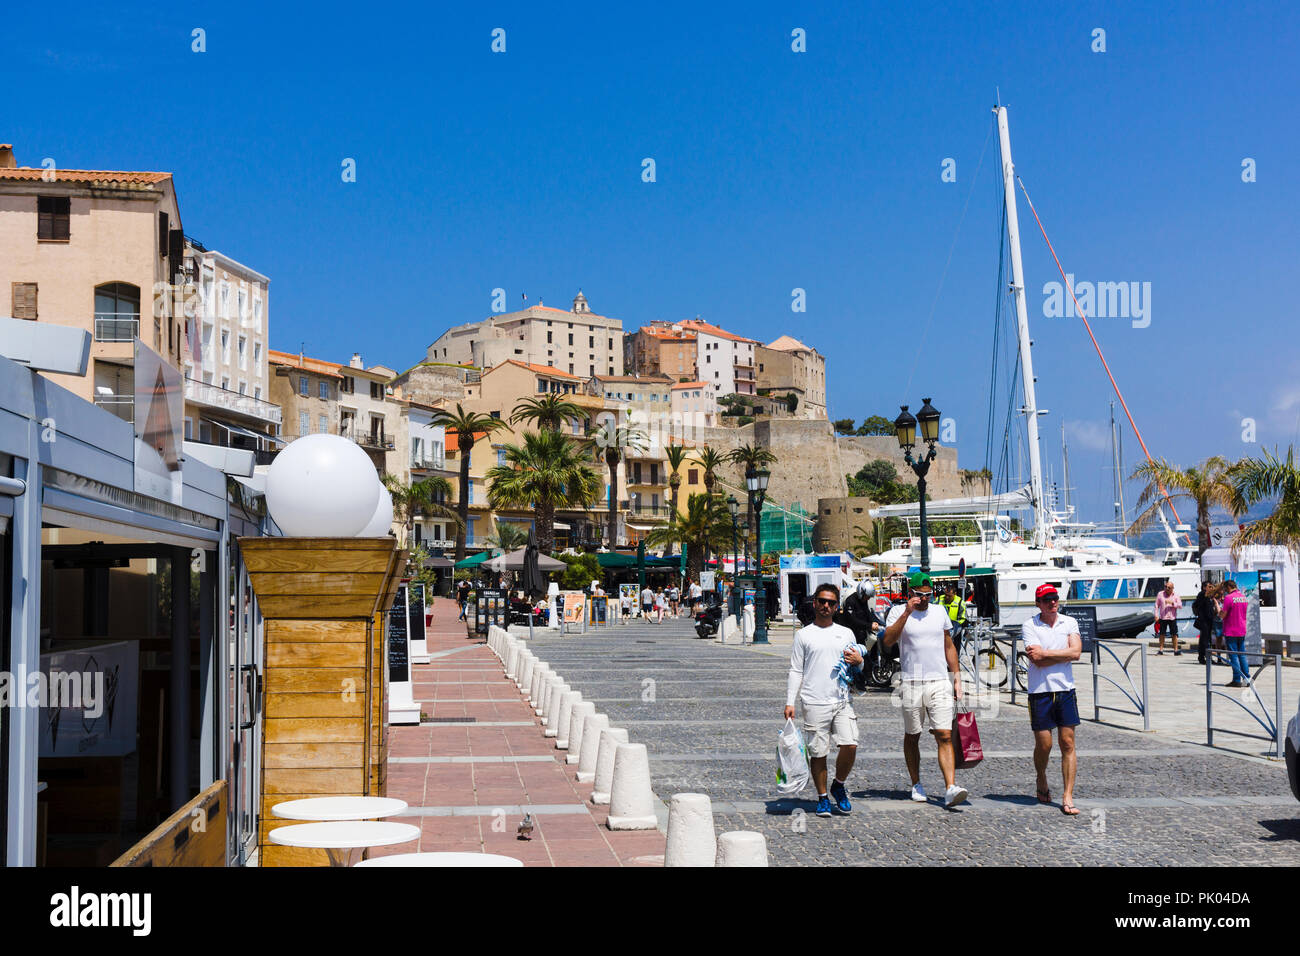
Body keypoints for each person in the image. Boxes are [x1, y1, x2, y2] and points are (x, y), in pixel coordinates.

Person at [882, 571, 968, 807]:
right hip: (911, 682)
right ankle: (916, 782)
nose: (925, 599)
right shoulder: (898, 612)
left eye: (928, 595)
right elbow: (888, 640)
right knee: (913, 735)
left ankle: (950, 787)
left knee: (944, 734)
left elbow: (948, 646)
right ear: (910, 593)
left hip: (939, 680)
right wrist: (907, 612)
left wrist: (957, 677)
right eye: (920, 595)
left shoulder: (939, 612)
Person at [784, 583, 867, 817]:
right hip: (813, 701)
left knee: (850, 744)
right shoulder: (804, 635)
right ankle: (822, 797)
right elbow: (795, 670)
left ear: (837, 607)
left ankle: (838, 785)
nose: (826, 606)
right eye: (822, 601)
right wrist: (790, 702)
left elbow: (857, 666)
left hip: (841, 699)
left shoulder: (845, 633)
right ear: (815, 603)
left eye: (831, 602)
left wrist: (859, 659)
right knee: (818, 753)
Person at [1021, 583, 1083, 815]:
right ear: (1038, 604)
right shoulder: (1030, 625)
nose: (1053, 602)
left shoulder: (1070, 622)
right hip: (1040, 691)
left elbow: (1076, 652)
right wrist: (1062, 655)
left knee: (1067, 743)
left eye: (1055, 598)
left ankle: (1067, 796)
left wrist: (1046, 653)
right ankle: (1041, 776)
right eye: (1047, 600)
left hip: (1066, 689)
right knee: (1044, 744)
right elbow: (1036, 660)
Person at [1220, 580, 1250, 687]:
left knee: (1234, 655)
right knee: (1242, 655)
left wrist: (1218, 606)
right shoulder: (1243, 596)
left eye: (1225, 589)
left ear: (1228, 587)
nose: (1224, 591)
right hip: (1241, 629)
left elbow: (1222, 615)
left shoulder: (1228, 598)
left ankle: (1237, 679)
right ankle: (1247, 678)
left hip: (1231, 630)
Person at [1153, 579, 1182, 655]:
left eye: (1169, 587)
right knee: (1162, 634)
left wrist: (1172, 603)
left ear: (1172, 588)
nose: (1167, 588)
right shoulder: (1160, 594)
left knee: (1174, 634)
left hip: (1172, 617)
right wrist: (1156, 615)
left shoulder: (1176, 595)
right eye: (1165, 587)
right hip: (1163, 617)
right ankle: (1161, 649)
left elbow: (1180, 605)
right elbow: (1156, 605)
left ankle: (1175, 650)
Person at [938, 581, 967, 653]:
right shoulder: (939, 600)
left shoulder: (960, 602)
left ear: (955, 594)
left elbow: (963, 618)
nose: (947, 597)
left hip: (955, 630)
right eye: (946, 595)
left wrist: (955, 625)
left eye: (949, 596)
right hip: (941, 629)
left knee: (955, 651)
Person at [1192, 581, 1215, 665]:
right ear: (1204, 587)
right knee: (1204, 640)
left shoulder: (1209, 596)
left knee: (1206, 639)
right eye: (1209, 586)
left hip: (1209, 620)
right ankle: (1204, 657)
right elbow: (1200, 604)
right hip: (1203, 620)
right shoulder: (1202, 594)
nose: (1211, 588)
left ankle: (1203, 656)